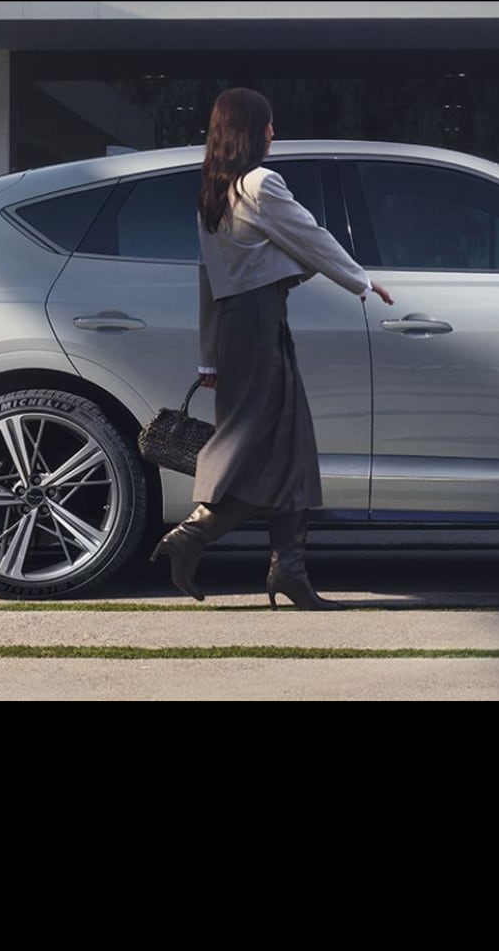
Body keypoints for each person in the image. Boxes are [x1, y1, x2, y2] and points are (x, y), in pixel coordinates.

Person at [150, 87, 393, 609]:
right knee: (259, 448)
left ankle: (290, 570)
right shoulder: (261, 183)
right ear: (249, 131)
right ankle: (192, 536)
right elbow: (310, 235)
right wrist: (361, 281)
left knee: (292, 448)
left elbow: (208, 281)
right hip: (259, 323)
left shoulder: (214, 192)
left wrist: (209, 355)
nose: (273, 133)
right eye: (268, 124)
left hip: (244, 326)